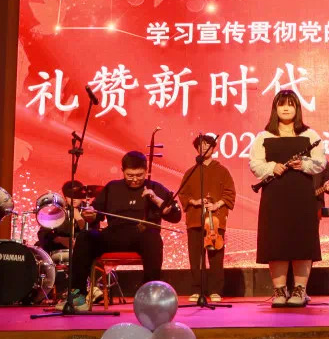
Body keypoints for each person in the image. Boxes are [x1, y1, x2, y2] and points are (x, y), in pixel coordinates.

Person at [59, 150, 182, 311]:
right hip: (114, 235)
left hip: (143, 236)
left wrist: (155, 199)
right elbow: (95, 215)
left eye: (139, 175)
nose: (135, 179)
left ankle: (149, 295)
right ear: (122, 171)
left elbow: (176, 216)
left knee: (153, 239)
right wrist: (90, 214)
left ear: (146, 171)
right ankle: (78, 294)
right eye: (130, 175)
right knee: (85, 237)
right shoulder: (112, 187)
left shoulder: (155, 187)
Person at [249, 90, 327, 308]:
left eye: (290, 104)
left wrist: (303, 164)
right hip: (274, 195)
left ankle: (299, 290)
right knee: (276, 241)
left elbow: (320, 163)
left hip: (302, 195)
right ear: (275, 108)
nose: (286, 108)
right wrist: (272, 167)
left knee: (301, 241)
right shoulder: (264, 136)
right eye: (281, 104)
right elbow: (255, 164)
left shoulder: (310, 134)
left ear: (297, 109)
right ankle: (280, 291)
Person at [178, 132, 236, 303]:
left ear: (214, 148)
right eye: (200, 146)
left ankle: (216, 290)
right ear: (196, 149)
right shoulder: (191, 172)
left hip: (215, 220)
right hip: (195, 219)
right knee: (196, 257)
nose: (203, 148)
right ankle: (197, 289)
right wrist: (194, 201)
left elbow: (230, 193)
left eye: (207, 145)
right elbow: (183, 194)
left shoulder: (222, 171)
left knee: (216, 256)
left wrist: (217, 204)